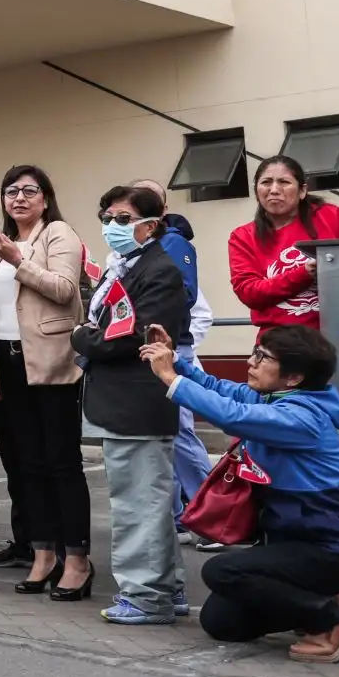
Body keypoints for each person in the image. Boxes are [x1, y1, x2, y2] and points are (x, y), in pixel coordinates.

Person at [140, 324, 339, 660]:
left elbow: (232, 415)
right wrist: (178, 362)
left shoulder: (303, 418)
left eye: (263, 357)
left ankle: (335, 621)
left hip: (329, 551)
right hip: (290, 548)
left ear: (294, 378)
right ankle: (325, 600)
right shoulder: (276, 397)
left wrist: (171, 378)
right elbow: (221, 390)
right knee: (222, 621)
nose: (250, 361)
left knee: (221, 571)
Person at [72, 184, 188, 624]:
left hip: (139, 402)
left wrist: (82, 336)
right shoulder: (123, 267)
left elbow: (130, 334)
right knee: (146, 500)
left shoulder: (159, 270)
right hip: (122, 403)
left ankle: (146, 596)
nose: (111, 228)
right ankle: (168, 587)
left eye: (122, 220)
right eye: (106, 219)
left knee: (139, 502)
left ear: (151, 225)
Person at [0, 164, 92, 598]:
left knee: (61, 462)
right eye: (11, 191)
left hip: (50, 359)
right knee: (27, 464)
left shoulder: (59, 234)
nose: (19, 198)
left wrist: (19, 261)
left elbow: (65, 290)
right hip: (7, 361)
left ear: (45, 198)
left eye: (29, 191)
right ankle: (44, 554)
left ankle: (78, 560)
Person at [131, 178, 216, 544]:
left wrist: (179, 349)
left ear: (160, 213)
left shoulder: (175, 246)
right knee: (154, 439)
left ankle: (211, 517)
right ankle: (178, 518)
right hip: (135, 354)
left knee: (180, 434)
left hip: (170, 352)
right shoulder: (125, 253)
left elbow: (192, 304)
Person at [228, 155, 339, 334]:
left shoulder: (331, 216)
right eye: (266, 182)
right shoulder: (243, 236)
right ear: (256, 191)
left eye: (284, 182)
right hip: (279, 343)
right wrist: (303, 274)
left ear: (302, 191)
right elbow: (250, 293)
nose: (274, 189)